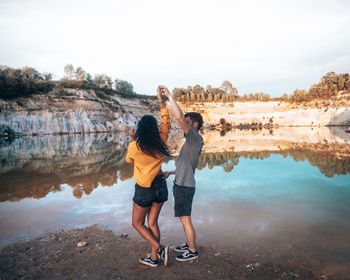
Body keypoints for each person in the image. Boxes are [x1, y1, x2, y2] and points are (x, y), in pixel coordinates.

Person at [125, 87, 170, 267]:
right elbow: (166, 121)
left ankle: (158, 249)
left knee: (137, 223)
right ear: (154, 128)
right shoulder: (162, 139)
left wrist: (131, 139)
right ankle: (153, 258)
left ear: (140, 130)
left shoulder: (135, 146)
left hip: (144, 188)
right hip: (160, 185)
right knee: (152, 223)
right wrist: (161, 101)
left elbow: (129, 161)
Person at [160, 85, 204, 262]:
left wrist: (170, 96)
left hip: (185, 187)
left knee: (186, 219)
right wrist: (172, 171)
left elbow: (178, 118)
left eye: (187, 121)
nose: (183, 123)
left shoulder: (195, 138)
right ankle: (189, 243)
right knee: (183, 219)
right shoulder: (189, 142)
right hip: (181, 184)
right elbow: (186, 164)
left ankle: (192, 251)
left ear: (194, 124)